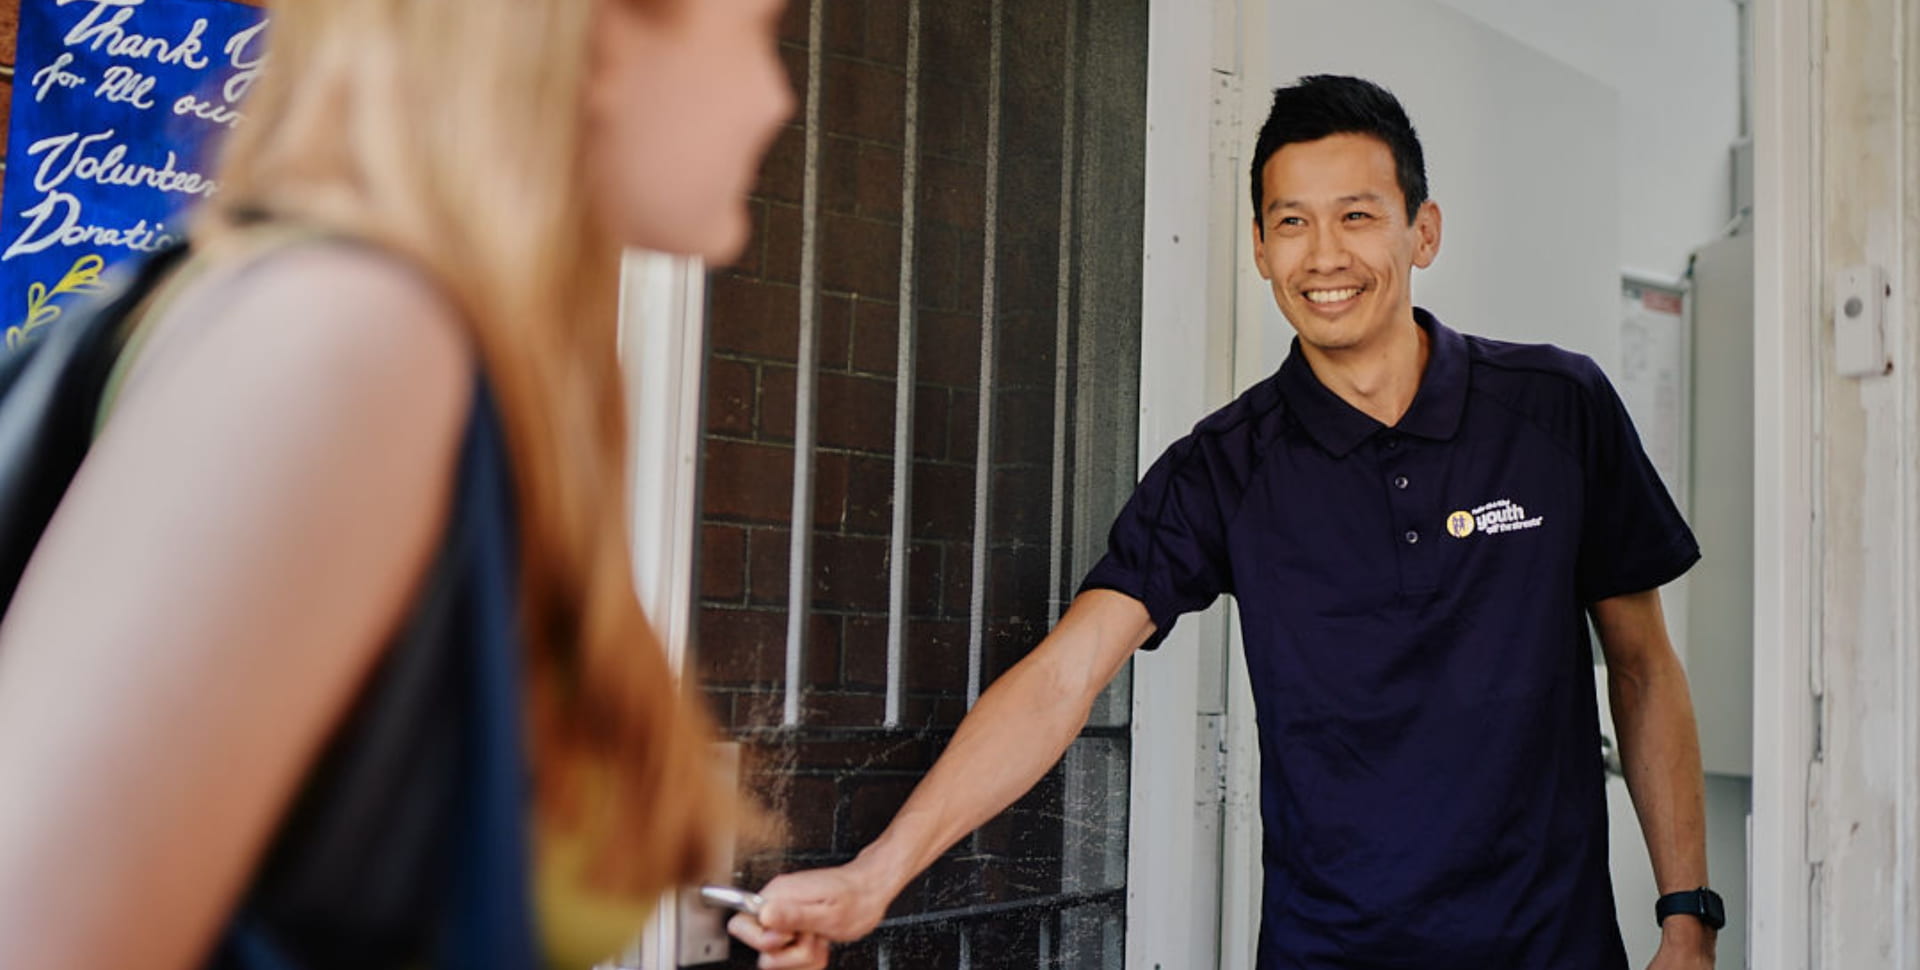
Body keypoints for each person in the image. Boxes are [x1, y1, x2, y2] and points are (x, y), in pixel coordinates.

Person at [731, 75, 1718, 970]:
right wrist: (877, 874)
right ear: (1258, 247)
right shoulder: (1226, 466)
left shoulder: (1557, 409)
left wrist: (1686, 916)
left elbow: (1641, 666)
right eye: (1291, 222)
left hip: (1552, 950)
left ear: (1423, 231)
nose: (1324, 255)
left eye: (1358, 215)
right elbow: (1065, 676)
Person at [0, 1, 796, 968]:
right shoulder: (353, 334)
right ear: (598, 38)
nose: (777, 99)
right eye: (757, 33)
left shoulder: (478, 368)